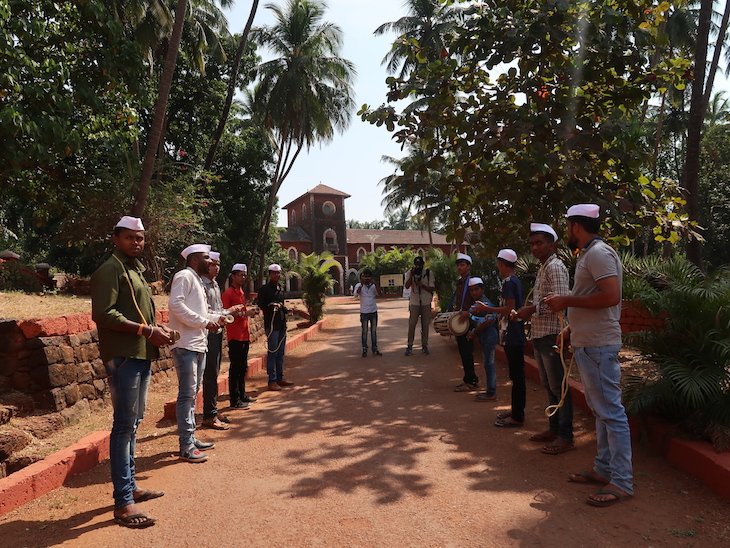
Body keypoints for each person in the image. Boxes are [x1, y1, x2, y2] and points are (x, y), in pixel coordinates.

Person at [545, 203, 633, 507]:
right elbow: (591, 299)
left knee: (611, 412)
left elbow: (612, 296)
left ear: (575, 226)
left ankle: (621, 481)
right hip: (589, 343)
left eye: (568, 226)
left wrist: (566, 300)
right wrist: (570, 330)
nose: (568, 230)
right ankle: (603, 469)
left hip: (599, 345)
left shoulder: (597, 254)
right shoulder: (589, 254)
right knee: (601, 411)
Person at [91, 216, 172, 528]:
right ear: (116, 239)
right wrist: (146, 330)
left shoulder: (133, 269)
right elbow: (104, 314)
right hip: (123, 357)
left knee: (134, 423)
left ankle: (132, 487)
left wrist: (155, 328)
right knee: (124, 426)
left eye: (139, 238)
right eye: (129, 238)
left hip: (139, 354)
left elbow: (139, 313)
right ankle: (123, 502)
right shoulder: (110, 269)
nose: (136, 243)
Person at [514, 223, 574, 454]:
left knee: (559, 386)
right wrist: (531, 309)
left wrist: (531, 310)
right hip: (541, 333)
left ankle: (565, 435)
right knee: (549, 385)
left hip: (551, 334)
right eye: (532, 244)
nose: (534, 248)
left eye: (539, 243)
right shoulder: (543, 267)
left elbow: (561, 302)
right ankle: (554, 428)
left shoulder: (555, 267)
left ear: (552, 244)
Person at [169, 244, 227, 463]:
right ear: (194, 260)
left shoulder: (196, 280)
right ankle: (186, 445)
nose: (211, 262)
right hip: (186, 345)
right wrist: (205, 322)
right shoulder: (184, 276)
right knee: (186, 395)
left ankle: (191, 438)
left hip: (198, 344)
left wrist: (214, 319)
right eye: (206, 258)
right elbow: (176, 305)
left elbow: (202, 312)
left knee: (192, 394)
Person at [473, 249, 526, 426]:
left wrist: (486, 309)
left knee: (517, 376)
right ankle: (516, 411)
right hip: (512, 333)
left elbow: (509, 309)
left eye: (498, 263)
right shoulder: (513, 281)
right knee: (516, 375)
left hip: (513, 334)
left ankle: (518, 416)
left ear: (502, 264)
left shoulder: (509, 283)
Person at [201, 251, 232, 430]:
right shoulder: (202, 285)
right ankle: (209, 415)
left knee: (215, 371)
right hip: (208, 332)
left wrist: (227, 312)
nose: (216, 267)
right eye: (213, 264)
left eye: (218, 264)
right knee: (210, 373)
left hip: (218, 331)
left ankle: (212, 410)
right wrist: (228, 313)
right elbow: (207, 311)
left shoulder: (214, 284)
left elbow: (218, 309)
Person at [221, 263, 259, 408]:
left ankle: (242, 394)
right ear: (233, 276)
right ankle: (234, 399)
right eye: (240, 275)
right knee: (235, 367)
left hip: (244, 334)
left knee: (243, 367)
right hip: (234, 335)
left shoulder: (241, 292)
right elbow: (226, 313)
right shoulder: (228, 293)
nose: (243, 278)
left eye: (244, 275)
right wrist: (245, 313)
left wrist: (248, 312)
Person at [258, 264, 294, 390]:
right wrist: (271, 305)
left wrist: (285, 308)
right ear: (270, 274)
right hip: (272, 325)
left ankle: (280, 377)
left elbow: (282, 304)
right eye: (274, 273)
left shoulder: (280, 288)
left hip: (282, 324)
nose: (277, 275)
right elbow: (261, 304)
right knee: (272, 352)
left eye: (278, 273)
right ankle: (272, 380)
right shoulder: (264, 289)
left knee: (281, 353)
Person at [466, 277, 499, 401]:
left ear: (482, 289)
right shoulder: (477, 303)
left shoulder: (485, 303)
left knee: (489, 364)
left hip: (489, 335)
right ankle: (490, 391)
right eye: (471, 290)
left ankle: (491, 392)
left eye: (476, 289)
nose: (474, 292)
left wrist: (474, 332)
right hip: (484, 336)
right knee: (487, 364)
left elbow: (490, 319)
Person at [452, 253, 479, 392]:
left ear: (468, 267)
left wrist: (468, 312)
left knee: (467, 351)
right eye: (458, 265)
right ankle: (468, 378)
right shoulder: (460, 282)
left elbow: (478, 301)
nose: (459, 267)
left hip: (468, 321)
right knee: (463, 351)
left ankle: (471, 381)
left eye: (462, 265)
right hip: (460, 321)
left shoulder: (472, 282)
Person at [404, 256, 435, 356]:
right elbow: (407, 286)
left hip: (426, 301)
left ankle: (424, 346)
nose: (418, 267)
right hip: (414, 302)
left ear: (423, 264)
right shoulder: (410, 272)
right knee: (412, 324)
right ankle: (409, 346)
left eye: (420, 265)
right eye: (416, 265)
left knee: (425, 325)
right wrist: (412, 275)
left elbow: (432, 288)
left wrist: (422, 285)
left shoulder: (428, 273)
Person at [354, 269, 382, 357]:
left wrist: (375, 283)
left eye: (368, 277)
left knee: (373, 331)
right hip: (364, 312)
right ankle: (364, 349)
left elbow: (379, 294)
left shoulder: (373, 286)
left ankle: (375, 348)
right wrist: (361, 285)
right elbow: (355, 295)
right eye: (365, 277)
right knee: (365, 331)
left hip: (373, 311)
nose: (366, 279)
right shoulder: (359, 285)